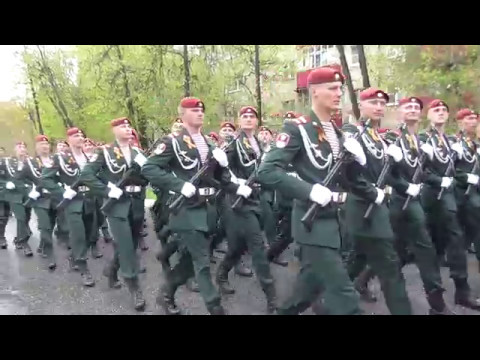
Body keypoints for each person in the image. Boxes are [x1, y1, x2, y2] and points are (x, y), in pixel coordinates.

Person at [258, 67, 362, 315]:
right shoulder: (297, 128)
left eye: (341, 89)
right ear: (315, 92)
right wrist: (308, 190)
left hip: (336, 221)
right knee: (345, 295)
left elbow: (344, 180)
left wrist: (358, 162)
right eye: (332, 88)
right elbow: (267, 171)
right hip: (313, 224)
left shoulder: (336, 133)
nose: (339, 94)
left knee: (306, 291)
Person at [142, 97, 242, 315]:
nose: (200, 113)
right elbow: (149, 169)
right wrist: (178, 185)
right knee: (202, 263)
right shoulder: (172, 142)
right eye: (194, 110)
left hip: (208, 209)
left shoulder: (209, 144)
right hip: (186, 210)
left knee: (192, 260)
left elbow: (220, 178)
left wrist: (227, 170)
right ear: (183, 114)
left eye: (201, 110)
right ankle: (215, 307)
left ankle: (166, 293)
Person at [343, 87, 412, 315]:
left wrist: (397, 160)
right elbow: (349, 174)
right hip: (360, 206)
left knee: (367, 259)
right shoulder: (351, 132)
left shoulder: (379, 138)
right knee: (374, 261)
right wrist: (372, 192)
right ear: (360, 105)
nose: (379, 107)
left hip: (378, 207)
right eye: (373, 102)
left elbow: (386, 173)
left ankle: (328, 293)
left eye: (382, 104)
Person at [387, 97, 452, 314]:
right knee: (389, 251)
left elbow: (419, 170)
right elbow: (384, 174)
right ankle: (354, 283)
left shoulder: (418, 140)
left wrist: (428, 172)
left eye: (417, 107)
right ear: (399, 111)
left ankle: (437, 305)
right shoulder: (391, 138)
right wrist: (404, 186)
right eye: (408, 107)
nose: (413, 110)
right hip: (395, 201)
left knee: (422, 250)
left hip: (413, 202)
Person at [214, 105, 278, 314]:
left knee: (238, 246)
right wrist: (235, 186)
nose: (249, 119)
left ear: (257, 121)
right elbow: (220, 172)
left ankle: (222, 273)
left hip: (257, 198)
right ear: (239, 120)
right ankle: (271, 296)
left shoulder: (259, 143)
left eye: (252, 116)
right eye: (245, 116)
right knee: (258, 246)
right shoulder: (233, 143)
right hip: (238, 201)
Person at [80, 118, 148, 311]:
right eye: (123, 126)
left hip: (136, 204)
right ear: (114, 130)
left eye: (129, 126)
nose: (127, 128)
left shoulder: (138, 153)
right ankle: (134, 287)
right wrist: (106, 191)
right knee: (126, 246)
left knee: (132, 243)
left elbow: (150, 174)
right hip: (117, 206)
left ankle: (111, 271)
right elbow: (86, 175)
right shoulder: (105, 152)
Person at [419, 100, 480, 310]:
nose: (441, 113)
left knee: (455, 240)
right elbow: (416, 170)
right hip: (430, 197)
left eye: (444, 110)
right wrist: (437, 180)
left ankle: (460, 292)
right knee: (421, 247)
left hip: (448, 199)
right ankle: (361, 279)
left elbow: (454, 168)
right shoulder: (422, 139)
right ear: (428, 115)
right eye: (436, 110)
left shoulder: (448, 140)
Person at [40, 128, 96, 287]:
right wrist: (63, 193)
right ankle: (84, 268)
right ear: (68, 139)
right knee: (78, 234)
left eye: (81, 135)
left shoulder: (89, 157)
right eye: (76, 136)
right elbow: (45, 179)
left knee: (90, 234)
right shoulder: (60, 158)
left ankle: (74, 256)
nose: (80, 138)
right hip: (73, 203)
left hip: (89, 200)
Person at [20, 135, 58, 269]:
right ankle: (50, 256)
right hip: (40, 199)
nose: (45, 146)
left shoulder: (56, 160)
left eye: (46, 144)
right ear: (36, 147)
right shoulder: (30, 162)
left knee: (52, 224)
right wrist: (29, 189)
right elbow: (18, 178)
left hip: (54, 197)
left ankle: (42, 246)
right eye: (41, 144)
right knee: (45, 226)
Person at [453, 109, 480, 270]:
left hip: (476, 194)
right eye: (469, 118)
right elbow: (447, 168)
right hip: (464, 194)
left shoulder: (475, 144)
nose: (473, 121)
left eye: (475, 118)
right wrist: (466, 177)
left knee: (469, 237)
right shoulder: (455, 143)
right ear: (460, 122)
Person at [4, 141, 33, 255]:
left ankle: (19, 237)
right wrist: (6, 183)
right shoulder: (8, 162)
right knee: (21, 217)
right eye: (19, 147)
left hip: (28, 193)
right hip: (14, 194)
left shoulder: (30, 161)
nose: (21, 148)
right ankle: (23, 242)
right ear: (15, 149)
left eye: (23, 147)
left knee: (27, 217)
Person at [0, 147, 10, 249]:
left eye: (2, 150)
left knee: (6, 215)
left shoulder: (7, 163)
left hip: (7, 193)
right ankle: (1, 237)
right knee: (1, 216)